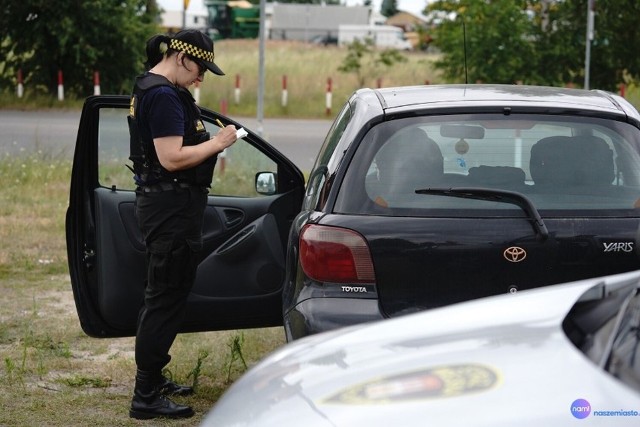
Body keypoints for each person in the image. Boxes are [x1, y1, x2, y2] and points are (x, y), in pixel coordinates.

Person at [126, 29, 238, 420]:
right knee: (165, 297)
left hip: (167, 207)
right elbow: (171, 159)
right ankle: (146, 396)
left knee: (164, 294)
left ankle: (153, 378)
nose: (201, 78)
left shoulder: (152, 87)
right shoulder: (162, 97)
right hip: (170, 209)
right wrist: (218, 143)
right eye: (200, 68)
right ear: (181, 58)